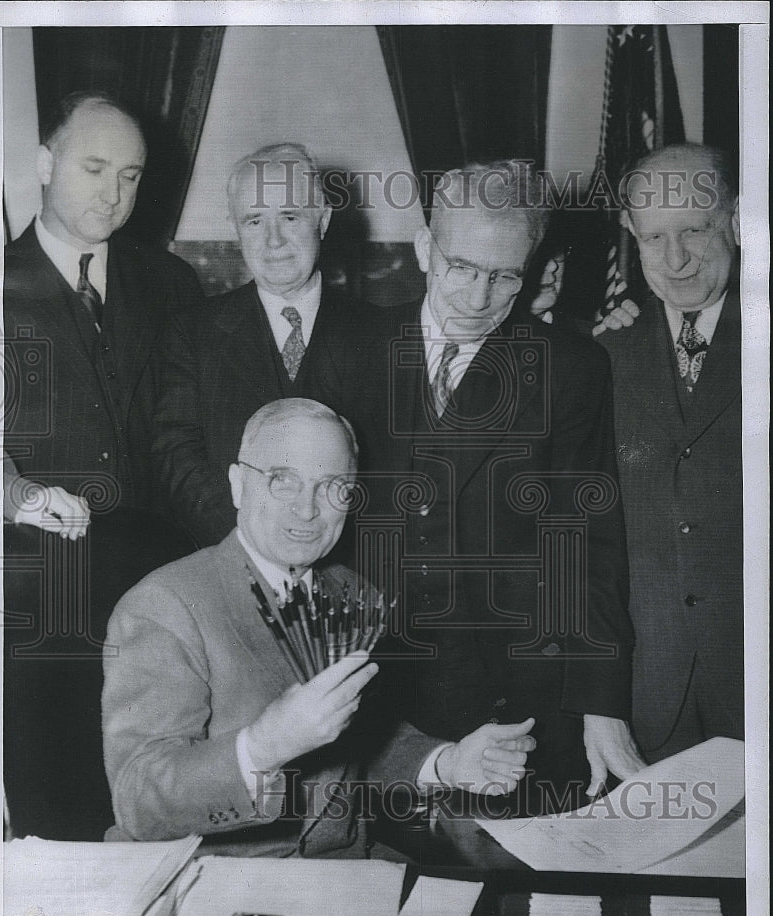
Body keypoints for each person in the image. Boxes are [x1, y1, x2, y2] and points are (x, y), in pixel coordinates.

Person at [307, 161, 644, 810]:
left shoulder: (569, 370)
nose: (478, 296)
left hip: (517, 704)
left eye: (504, 276)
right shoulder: (348, 347)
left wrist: (602, 705)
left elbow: (590, 549)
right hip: (378, 699)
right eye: (462, 267)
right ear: (425, 248)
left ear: (533, 267)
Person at [102, 398, 537, 853]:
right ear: (237, 485)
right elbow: (138, 800)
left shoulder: (355, 595)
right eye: (283, 481)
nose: (308, 510)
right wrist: (262, 747)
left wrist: (446, 762)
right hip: (211, 878)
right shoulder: (165, 605)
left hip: (343, 873)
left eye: (333, 487)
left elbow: (353, 747)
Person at [152, 142, 378, 548]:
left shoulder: (377, 333)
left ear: (322, 220)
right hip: (230, 561)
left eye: (290, 216)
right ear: (235, 229)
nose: (273, 240)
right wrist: (254, 548)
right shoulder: (190, 333)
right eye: (254, 221)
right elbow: (178, 459)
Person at [597, 143, 743, 761]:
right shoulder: (603, 354)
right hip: (647, 704)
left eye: (694, 231)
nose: (676, 260)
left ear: (735, 219)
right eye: (655, 239)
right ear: (631, 234)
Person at [3, 90, 202, 525]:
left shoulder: (174, 283)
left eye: (129, 176)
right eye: (94, 169)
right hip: (42, 556)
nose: (112, 194)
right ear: (45, 165)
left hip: (161, 553)